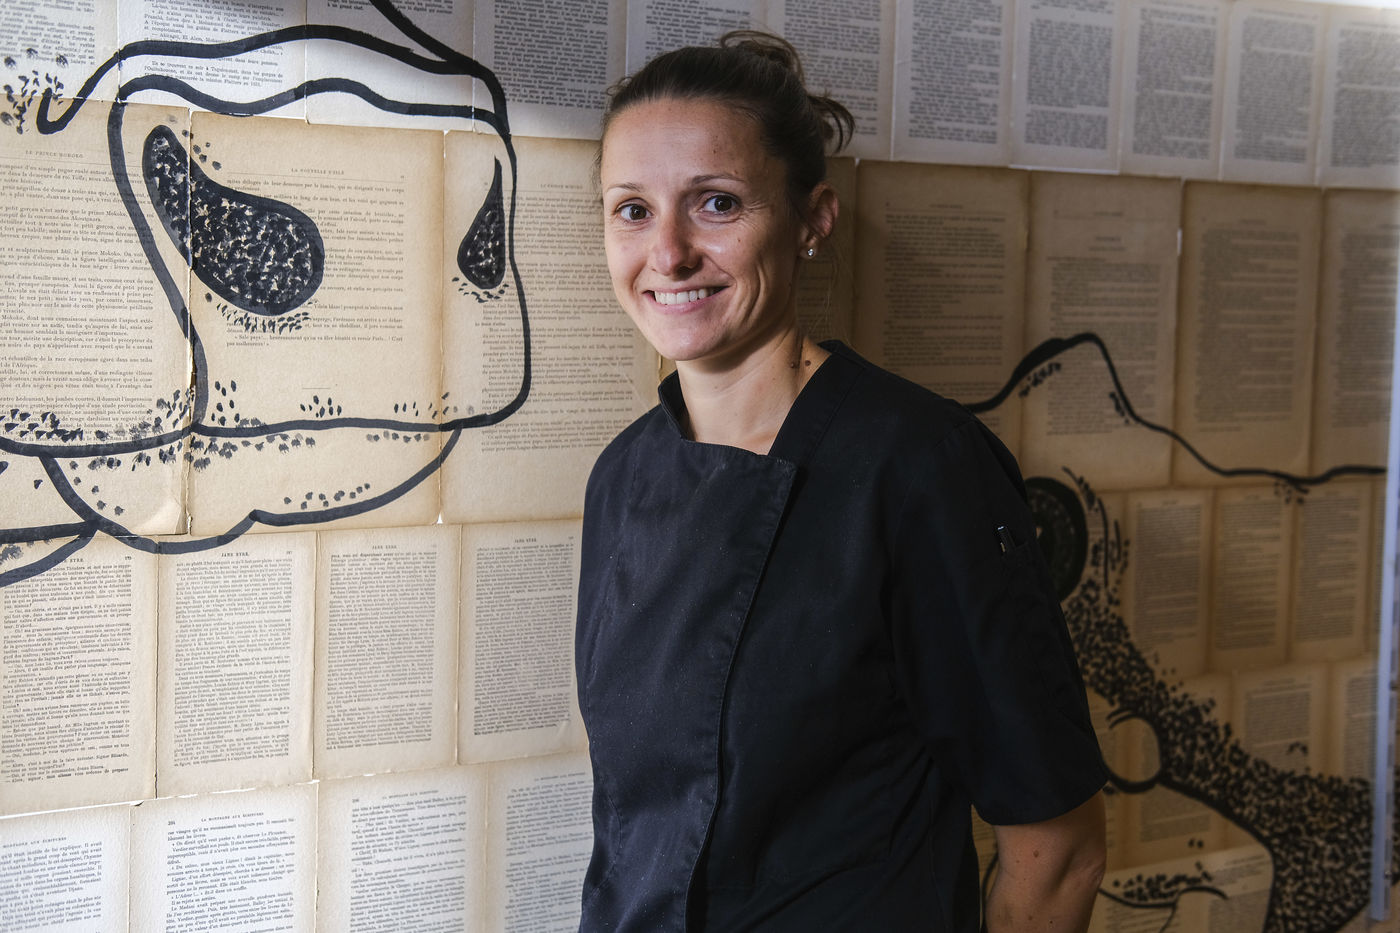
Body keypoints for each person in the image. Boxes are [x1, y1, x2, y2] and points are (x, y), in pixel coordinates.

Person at [575, 30, 1107, 932]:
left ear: (812, 219)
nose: (667, 253)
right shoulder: (622, 475)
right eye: (632, 209)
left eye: (716, 203)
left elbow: (1059, 848)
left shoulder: (919, 466)